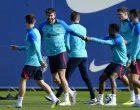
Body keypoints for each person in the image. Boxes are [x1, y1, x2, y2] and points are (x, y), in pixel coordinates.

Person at [45, 11, 97, 105]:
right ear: (78, 19)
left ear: (70, 19)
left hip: (75, 55)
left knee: (64, 76)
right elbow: (83, 41)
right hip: (84, 54)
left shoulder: (69, 28)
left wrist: (69, 51)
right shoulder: (83, 28)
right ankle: (93, 97)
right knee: (85, 76)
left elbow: (67, 42)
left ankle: (58, 97)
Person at [8, 14, 59, 108]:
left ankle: (19, 103)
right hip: (36, 63)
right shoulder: (36, 31)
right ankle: (54, 98)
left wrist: (40, 60)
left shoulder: (31, 33)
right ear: (34, 22)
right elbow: (30, 47)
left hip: (32, 62)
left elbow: (36, 47)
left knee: (22, 81)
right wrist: (18, 48)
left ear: (26, 22)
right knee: (40, 82)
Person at [39, 8, 85, 106]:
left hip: (60, 52)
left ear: (54, 15)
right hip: (50, 55)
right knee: (55, 79)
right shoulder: (42, 26)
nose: (50, 17)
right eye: (48, 15)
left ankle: (67, 100)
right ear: (45, 16)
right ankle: (71, 92)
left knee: (62, 76)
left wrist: (82, 37)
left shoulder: (61, 23)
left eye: (51, 15)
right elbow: (38, 40)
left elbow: (71, 31)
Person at [85, 23, 128, 106]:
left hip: (121, 64)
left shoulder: (118, 39)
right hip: (114, 62)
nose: (108, 30)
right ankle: (100, 101)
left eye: (109, 29)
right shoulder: (110, 35)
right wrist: (90, 40)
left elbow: (104, 42)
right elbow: (101, 39)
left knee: (112, 77)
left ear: (114, 30)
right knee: (102, 78)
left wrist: (91, 38)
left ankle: (113, 101)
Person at [117, 7, 135, 105]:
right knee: (128, 75)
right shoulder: (122, 23)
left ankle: (135, 98)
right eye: (118, 15)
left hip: (134, 53)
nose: (119, 16)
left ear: (126, 13)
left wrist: (128, 41)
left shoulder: (130, 23)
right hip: (126, 53)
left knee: (133, 77)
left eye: (120, 14)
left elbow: (137, 37)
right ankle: (133, 98)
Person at [127, 9, 140, 107]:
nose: (128, 17)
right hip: (134, 57)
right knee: (132, 79)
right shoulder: (134, 26)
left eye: (129, 15)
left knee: (134, 79)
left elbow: (139, 43)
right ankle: (138, 101)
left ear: (132, 15)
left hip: (138, 57)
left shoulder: (138, 27)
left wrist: (134, 56)